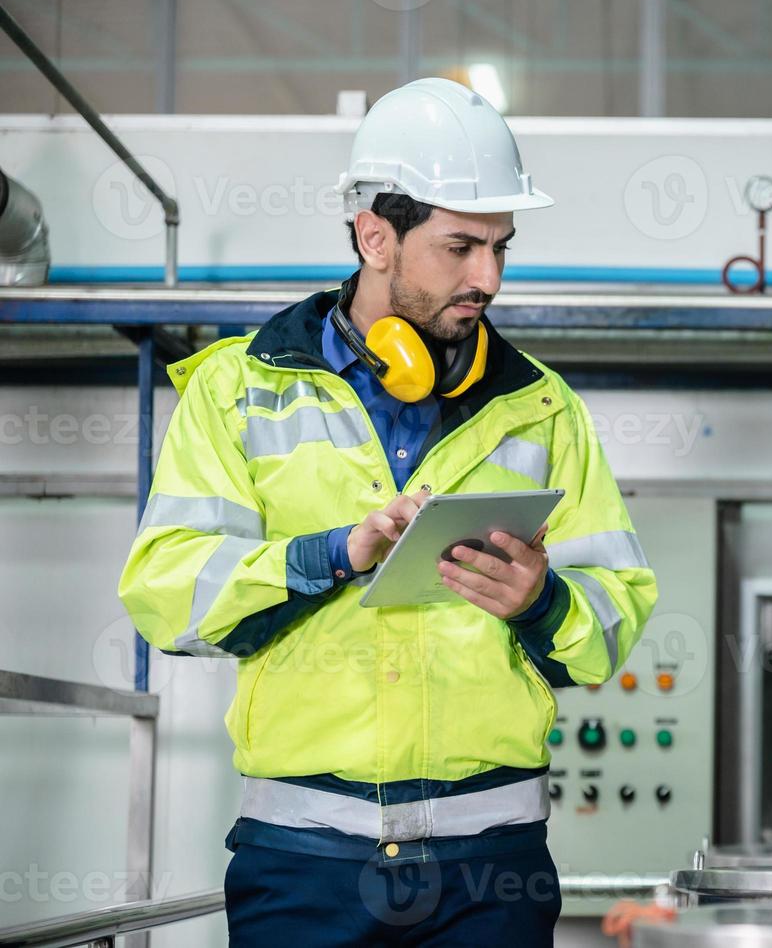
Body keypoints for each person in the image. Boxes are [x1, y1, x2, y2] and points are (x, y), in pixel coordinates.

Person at [118, 77, 657, 946]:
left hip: (494, 863)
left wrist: (543, 601)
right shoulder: (238, 390)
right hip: (303, 860)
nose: (487, 276)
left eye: (500, 247)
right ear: (375, 236)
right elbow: (166, 592)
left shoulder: (543, 407)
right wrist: (331, 552)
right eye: (459, 247)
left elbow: (617, 609)